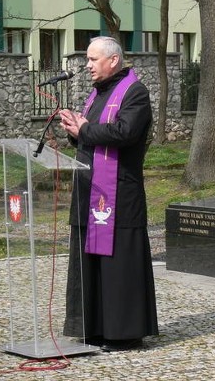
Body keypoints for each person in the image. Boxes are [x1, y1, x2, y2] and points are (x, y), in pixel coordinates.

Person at [59, 36, 158, 352]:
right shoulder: (96, 94)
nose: (87, 65)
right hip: (90, 189)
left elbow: (125, 133)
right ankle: (95, 326)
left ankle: (125, 331)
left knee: (118, 266)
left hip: (119, 192)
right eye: (88, 60)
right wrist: (75, 132)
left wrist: (85, 129)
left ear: (113, 60)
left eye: (93, 59)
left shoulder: (134, 93)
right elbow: (92, 136)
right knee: (91, 264)